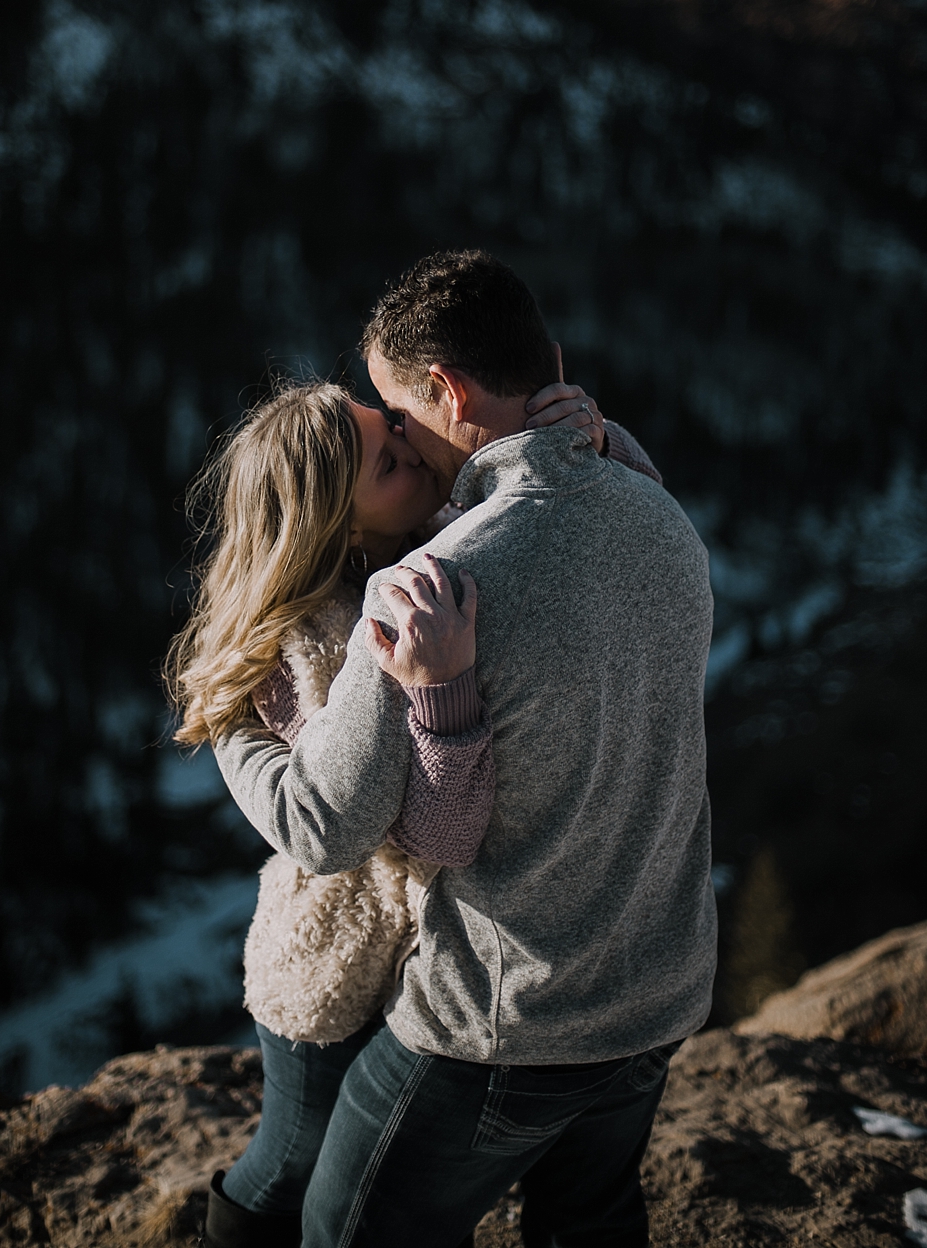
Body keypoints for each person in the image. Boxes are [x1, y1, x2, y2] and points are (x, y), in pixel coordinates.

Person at [214, 249, 716, 1248]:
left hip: (506, 1014)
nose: (398, 438)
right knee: (588, 1219)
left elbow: (332, 822)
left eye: (397, 419)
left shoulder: (431, 584)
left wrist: (230, 723)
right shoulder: (661, 517)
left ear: (441, 389)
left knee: (341, 1224)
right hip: (661, 989)